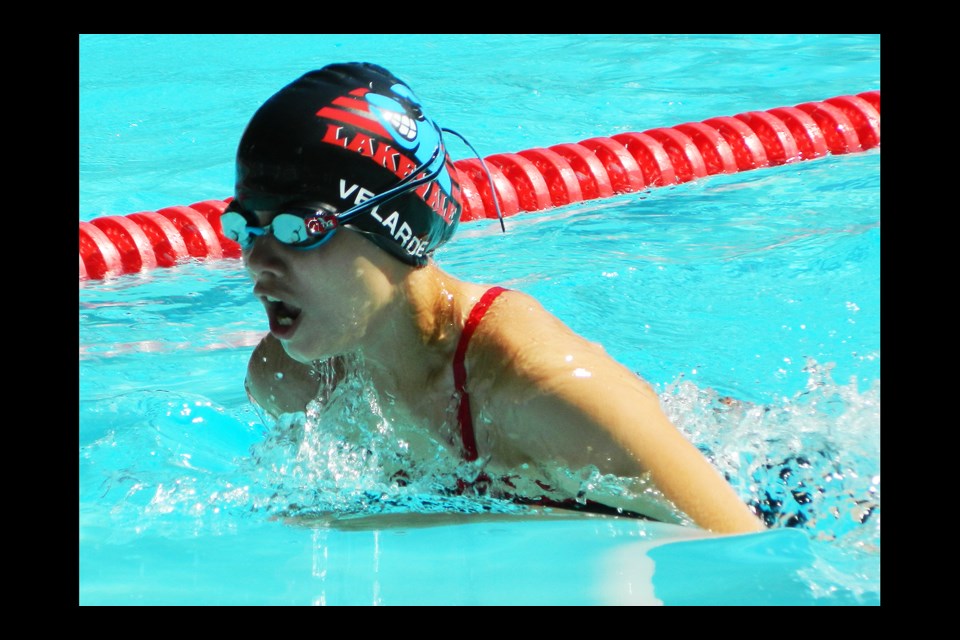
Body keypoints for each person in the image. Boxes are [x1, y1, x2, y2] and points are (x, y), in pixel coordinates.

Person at [224, 62, 765, 535]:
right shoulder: (290, 381)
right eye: (246, 227)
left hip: (775, 488)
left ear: (392, 227)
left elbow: (748, 549)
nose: (257, 260)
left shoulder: (545, 393)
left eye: (300, 228)